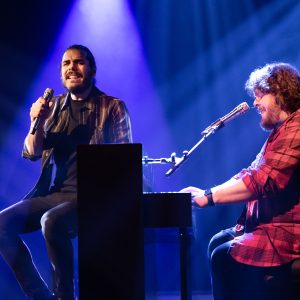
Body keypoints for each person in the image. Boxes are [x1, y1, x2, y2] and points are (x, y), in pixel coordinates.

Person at [0, 44, 132, 300]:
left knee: (51, 222)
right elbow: (32, 152)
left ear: (92, 69)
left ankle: (64, 296)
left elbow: (123, 162)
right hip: (56, 194)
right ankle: (40, 296)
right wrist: (34, 122)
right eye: (66, 63)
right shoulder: (53, 108)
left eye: (79, 62)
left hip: (94, 196)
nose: (72, 68)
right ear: (61, 72)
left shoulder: (112, 107)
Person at [181, 62, 300, 300]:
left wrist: (210, 198)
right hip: (272, 225)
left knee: (223, 255)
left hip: (290, 231)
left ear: (279, 93)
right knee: (218, 241)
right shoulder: (281, 130)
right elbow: (250, 172)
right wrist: (207, 192)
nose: (255, 103)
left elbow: (262, 181)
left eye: (260, 95)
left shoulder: (296, 129)